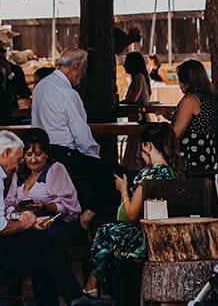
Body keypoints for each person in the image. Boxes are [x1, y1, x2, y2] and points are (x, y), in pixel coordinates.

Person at [74, 123, 177, 305]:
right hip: (166, 234)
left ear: (147, 145)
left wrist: (123, 189)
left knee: (106, 232)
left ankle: (93, 285)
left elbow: (130, 214)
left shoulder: (148, 176)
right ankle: (93, 284)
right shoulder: (172, 173)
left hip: (145, 238)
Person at [29, 48, 110, 227]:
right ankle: (87, 215)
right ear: (75, 67)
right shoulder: (69, 94)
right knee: (114, 174)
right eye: (84, 68)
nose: (83, 73)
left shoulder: (41, 85)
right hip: (64, 155)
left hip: (44, 151)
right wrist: (93, 154)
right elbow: (81, 133)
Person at [3, 129, 85, 306]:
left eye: (38, 154)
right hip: (25, 225)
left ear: (46, 154)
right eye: (29, 154)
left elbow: (69, 207)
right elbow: (7, 204)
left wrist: (45, 206)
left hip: (51, 224)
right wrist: (18, 211)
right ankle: (72, 296)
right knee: (31, 249)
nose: (33, 159)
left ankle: (67, 297)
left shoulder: (55, 170)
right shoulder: (20, 174)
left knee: (32, 240)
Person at [171, 59, 218, 179]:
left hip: (190, 158)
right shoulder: (210, 98)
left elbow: (175, 134)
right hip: (207, 156)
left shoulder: (191, 100)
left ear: (185, 81)